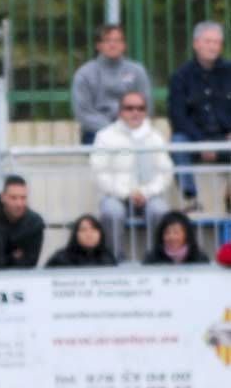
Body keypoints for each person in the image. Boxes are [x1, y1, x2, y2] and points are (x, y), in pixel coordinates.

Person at [90, 91, 173, 259]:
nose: (135, 112)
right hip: (116, 196)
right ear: (120, 111)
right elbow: (99, 172)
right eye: (129, 108)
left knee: (160, 211)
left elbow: (165, 172)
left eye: (140, 108)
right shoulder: (105, 136)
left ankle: (156, 259)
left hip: (149, 196)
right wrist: (127, 193)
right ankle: (114, 260)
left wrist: (146, 192)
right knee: (112, 213)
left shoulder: (155, 137)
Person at [167, 21, 231, 213]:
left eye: (217, 42)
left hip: (225, 137)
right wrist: (201, 142)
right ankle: (191, 198)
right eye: (208, 41)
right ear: (196, 44)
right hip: (194, 138)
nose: (213, 46)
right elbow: (177, 116)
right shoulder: (180, 76)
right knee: (177, 142)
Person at [71, 24, 152, 144]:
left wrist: (128, 126)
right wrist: (114, 131)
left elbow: (147, 105)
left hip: (133, 128)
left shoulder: (137, 71)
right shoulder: (84, 74)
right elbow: (83, 113)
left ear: (124, 45)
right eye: (107, 40)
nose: (112, 45)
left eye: (117, 40)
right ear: (98, 45)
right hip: (97, 132)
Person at [44, 214, 117, 268]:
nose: (89, 234)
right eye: (83, 230)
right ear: (75, 234)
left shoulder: (108, 258)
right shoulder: (61, 259)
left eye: (94, 230)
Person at [142, 210, 210, 264]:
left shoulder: (199, 258)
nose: (172, 237)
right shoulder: (152, 259)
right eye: (167, 233)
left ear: (186, 235)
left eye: (176, 232)